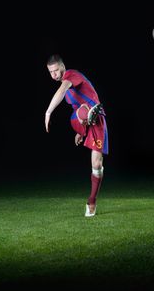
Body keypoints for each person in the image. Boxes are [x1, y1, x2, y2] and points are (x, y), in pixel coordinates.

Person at [45, 54, 109, 217]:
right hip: (84, 120)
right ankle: (83, 126)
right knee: (78, 113)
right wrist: (80, 130)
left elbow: (62, 89)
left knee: (96, 164)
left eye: (56, 70)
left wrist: (48, 112)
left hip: (97, 119)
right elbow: (78, 109)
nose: (54, 75)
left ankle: (92, 201)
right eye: (50, 72)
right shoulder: (68, 93)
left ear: (63, 66)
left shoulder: (71, 75)